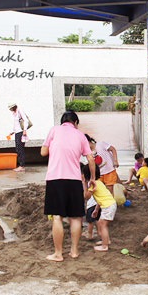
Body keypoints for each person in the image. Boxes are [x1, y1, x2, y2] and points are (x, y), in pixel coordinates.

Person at [41, 110, 96, 262]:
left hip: (55, 179)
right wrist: (92, 178)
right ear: (75, 123)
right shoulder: (80, 135)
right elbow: (90, 159)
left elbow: (43, 152)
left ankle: (58, 254)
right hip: (74, 180)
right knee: (76, 217)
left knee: (57, 217)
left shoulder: (54, 130)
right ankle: (74, 251)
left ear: (62, 122)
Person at [81, 163, 116, 252]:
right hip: (109, 204)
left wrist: (84, 183)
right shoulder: (98, 182)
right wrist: (96, 209)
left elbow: (87, 196)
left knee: (102, 225)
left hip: (108, 206)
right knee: (101, 223)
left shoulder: (92, 184)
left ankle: (104, 246)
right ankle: (106, 240)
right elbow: (100, 198)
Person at [8, 102, 29, 172]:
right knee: (18, 149)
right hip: (17, 132)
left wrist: (24, 130)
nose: (10, 109)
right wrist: (13, 131)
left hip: (21, 132)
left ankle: (22, 166)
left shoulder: (20, 111)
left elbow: (26, 120)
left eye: (10, 108)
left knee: (20, 149)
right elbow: (16, 124)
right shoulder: (15, 113)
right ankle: (21, 165)